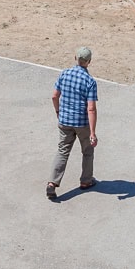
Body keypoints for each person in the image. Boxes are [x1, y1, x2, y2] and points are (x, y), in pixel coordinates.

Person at [47, 47, 99, 202]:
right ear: (89, 62)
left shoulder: (65, 74)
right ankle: (86, 180)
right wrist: (92, 132)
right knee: (87, 152)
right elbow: (91, 108)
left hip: (64, 121)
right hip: (81, 123)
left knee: (63, 151)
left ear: (75, 57)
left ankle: (52, 182)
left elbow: (54, 96)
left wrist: (58, 112)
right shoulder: (90, 81)